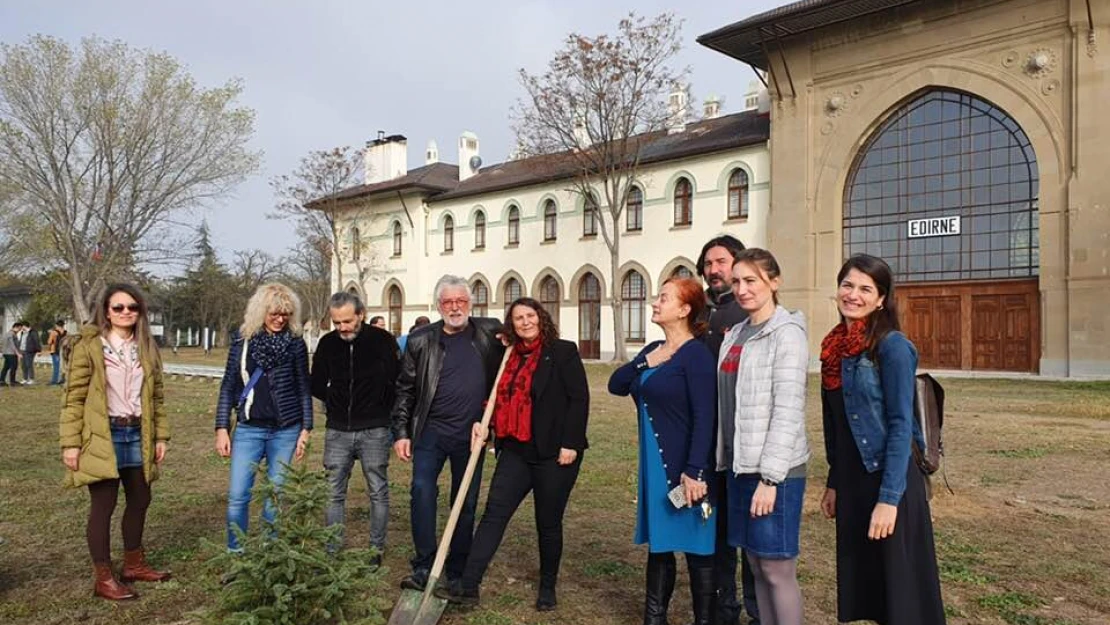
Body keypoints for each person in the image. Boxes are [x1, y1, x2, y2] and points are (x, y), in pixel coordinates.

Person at [436, 297, 589, 611]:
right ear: (511, 325)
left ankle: (547, 586)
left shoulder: (562, 352)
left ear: (541, 317)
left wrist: (570, 443)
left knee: (547, 522)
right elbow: (495, 397)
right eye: (518, 318)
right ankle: (468, 586)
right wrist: (485, 425)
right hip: (515, 451)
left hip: (553, 453)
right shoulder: (505, 355)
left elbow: (579, 399)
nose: (525, 322)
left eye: (530, 315)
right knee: (494, 515)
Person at [819, 254, 945, 625]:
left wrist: (889, 500)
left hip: (890, 480)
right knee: (872, 587)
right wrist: (834, 482)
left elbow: (900, 424)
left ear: (880, 299)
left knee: (902, 593)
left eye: (865, 288)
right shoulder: (832, 349)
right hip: (854, 480)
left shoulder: (892, 347)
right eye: (847, 284)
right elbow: (839, 426)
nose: (853, 295)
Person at [608, 277, 718, 625]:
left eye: (664, 298)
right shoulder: (653, 349)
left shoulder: (696, 355)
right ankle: (654, 618)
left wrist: (695, 471)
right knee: (661, 545)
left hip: (686, 466)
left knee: (699, 548)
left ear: (685, 309)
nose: (655, 303)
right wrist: (648, 361)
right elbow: (616, 384)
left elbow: (706, 416)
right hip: (655, 467)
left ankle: (704, 620)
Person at [390, 275, 505, 591]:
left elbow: (508, 371)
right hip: (430, 433)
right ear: (438, 305)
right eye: (448, 302)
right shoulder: (420, 340)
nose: (455, 307)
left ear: (470, 303)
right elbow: (404, 390)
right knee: (422, 493)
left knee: (465, 502)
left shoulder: (490, 333)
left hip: (472, 436)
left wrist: (490, 424)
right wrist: (401, 432)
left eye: (461, 301)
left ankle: (456, 567)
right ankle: (424, 564)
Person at [59, 283, 171, 600]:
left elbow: (158, 398)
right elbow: (73, 398)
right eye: (118, 307)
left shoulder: (146, 346)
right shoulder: (89, 346)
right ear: (106, 311)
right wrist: (71, 444)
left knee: (140, 499)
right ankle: (104, 577)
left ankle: (133, 565)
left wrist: (161, 435)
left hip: (137, 433)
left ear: (140, 312)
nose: (125, 313)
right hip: (102, 436)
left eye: (132, 307)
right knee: (103, 506)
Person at [717, 249, 809, 625]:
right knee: (756, 565)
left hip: (775, 472)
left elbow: (787, 411)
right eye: (736, 281)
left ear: (774, 282)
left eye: (751, 280)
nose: (742, 289)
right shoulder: (736, 333)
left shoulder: (786, 335)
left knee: (776, 569)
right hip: (741, 466)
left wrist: (771, 479)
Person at [215, 283, 313, 551]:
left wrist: (306, 428)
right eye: (274, 314)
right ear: (261, 312)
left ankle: (270, 555)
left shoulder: (295, 344)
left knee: (275, 496)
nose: (280, 319)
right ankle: (237, 554)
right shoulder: (242, 341)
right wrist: (222, 427)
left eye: (286, 314)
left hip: (285, 431)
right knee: (238, 496)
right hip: (249, 429)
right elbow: (228, 385)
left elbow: (304, 386)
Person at [696, 234, 760, 625]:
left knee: (750, 536)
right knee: (716, 532)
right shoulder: (700, 311)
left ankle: (757, 610)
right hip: (709, 442)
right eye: (708, 264)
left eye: (720, 261)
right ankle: (724, 608)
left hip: (745, 444)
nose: (714, 270)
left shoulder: (751, 313)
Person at [311, 291, 399, 563]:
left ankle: (375, 550)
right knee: (333, 491)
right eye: (337, 323)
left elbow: (398, 380)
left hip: (374, 428)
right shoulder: (327, 344)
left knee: (377, 490)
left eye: (347, 321)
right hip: (338, 430)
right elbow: (316, 382)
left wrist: (381, 408)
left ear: (360, 314)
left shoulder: (383, 341)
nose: (342, 328)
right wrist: (335, 403)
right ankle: (332, 549)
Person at [48, 320, 68, 385]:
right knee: (63, 366)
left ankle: (54, 381)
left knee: (56, 366)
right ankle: (63, 379)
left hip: (55, 351)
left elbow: (49, 342)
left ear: (56, 325)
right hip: (64, 351)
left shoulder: (54, 332)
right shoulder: (66, 332)